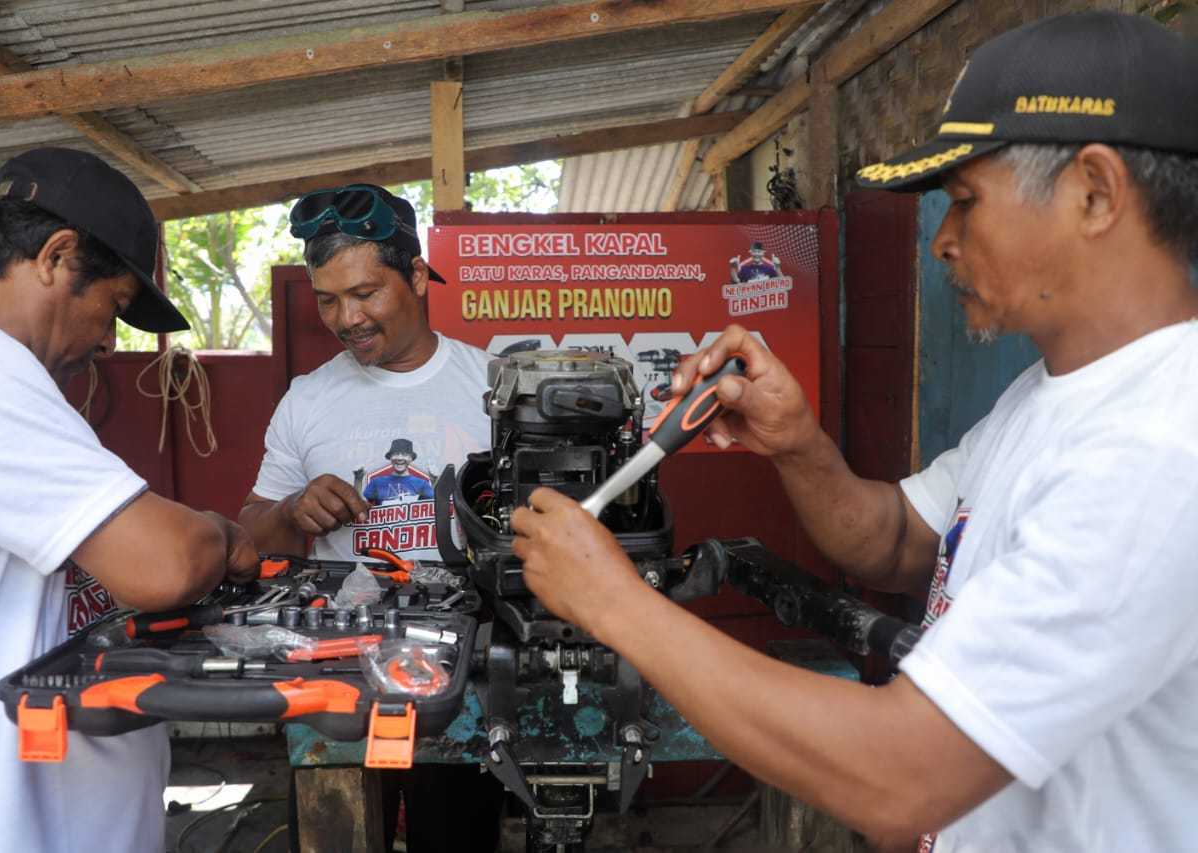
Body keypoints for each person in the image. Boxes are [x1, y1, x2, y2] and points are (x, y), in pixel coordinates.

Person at [511, 12, 1198, 852]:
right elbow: (899, 542)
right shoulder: (1050, 397)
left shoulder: (1160, 446)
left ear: (1094, 193)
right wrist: (797, 441)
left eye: (966, 203)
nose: (942, 241)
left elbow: (903, 774)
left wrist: (614, 603)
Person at [0, 148, 259, 851]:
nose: (108, 340)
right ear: (56, 256)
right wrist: (220, 534)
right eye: (115, 308)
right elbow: (164, 563)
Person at [237, 183, 503, 850]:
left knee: (457, 835)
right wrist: (295, 509)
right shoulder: (309, 399)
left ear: (416, 275)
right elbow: (247, 535)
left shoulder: (493, 388)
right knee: (338, 833)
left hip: (458, 675)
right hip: (336, 677)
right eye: (327, 299)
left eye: (364, 293)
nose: (346, 317)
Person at [363, 438, 436, 506]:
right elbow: (359, 506)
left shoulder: (422, 484)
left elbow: (433, 506)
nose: (400, 458)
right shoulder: (377, 482)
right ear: (390, 457)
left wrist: (434, 481)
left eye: (405, 455)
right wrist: (358, 479)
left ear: (411, 458)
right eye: (396, 454)